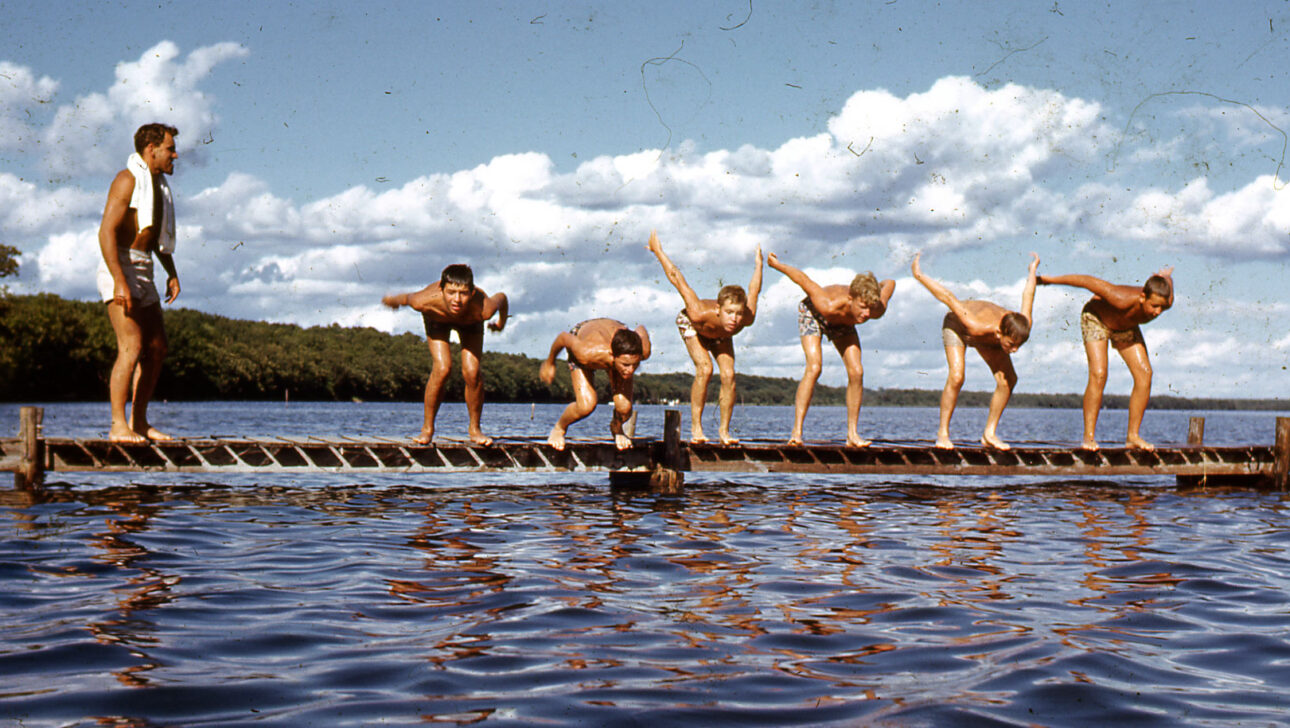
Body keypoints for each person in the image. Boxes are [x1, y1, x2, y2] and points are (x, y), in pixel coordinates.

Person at [96, 123, 181, 443]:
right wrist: (119, 280)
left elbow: (155, 238)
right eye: (170, 148)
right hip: (118, 264)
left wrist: (171, 272)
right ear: (151, 149)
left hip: (145, 266)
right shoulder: (127, 179)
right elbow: (105, 232)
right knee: (131, 347)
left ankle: (140, 422)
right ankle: (118, 426)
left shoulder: (157, 186)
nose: (175, 154)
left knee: (157, 348)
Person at [911, 251, 1039, 450]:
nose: (1014, 351)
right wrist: (919, 275)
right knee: (957, 376)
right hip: (958, 327)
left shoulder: (1022, 325)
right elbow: (947, 297)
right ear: (999, 332)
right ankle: (942, 434)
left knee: (1008, 380)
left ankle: (989, 434)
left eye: (1018, 346)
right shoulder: (975, 323)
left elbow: (1028, 295)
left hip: (987, 339)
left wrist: (1032, 271)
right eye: (1011, 345)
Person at [1038, 267, 1174, 451]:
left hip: (1125, 327)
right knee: (1099, 374)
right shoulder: (1120, 297)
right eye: (1154, 306)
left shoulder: (1166, 301)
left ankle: (1132, 436)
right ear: (1142, 297)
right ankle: (1089, 438)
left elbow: (1167, 281)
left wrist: (1164, 275)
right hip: (1097, 319)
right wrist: (1050, 280)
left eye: (1162, 307)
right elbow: (1086, 280)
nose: (1158, 312)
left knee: (1144, 374)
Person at [767, 252, 895, 447]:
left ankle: (852, 434)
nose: (867, 314)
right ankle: (796, 432)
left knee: (857, 371)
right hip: (814, 315)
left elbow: (890, 282)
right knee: (815, 367)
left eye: (870, 308)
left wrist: (876, 287)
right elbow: (802, 279)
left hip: (843, 323)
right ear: (851, 299)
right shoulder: (827, 303)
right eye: (862, 307)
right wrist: (776, 264)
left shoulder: (875, 309)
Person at [647, 230, 762, 444]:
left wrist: (759, 264)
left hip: (719, 335)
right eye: (729, 313)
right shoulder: (698, 311)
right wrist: (658, 251)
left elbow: (754, 289)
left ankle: (724, 432)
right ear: (719, 309)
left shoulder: (746, 317)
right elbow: (676, 278)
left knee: (728, 375)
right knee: (705, 368)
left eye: (738, 314)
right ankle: (696, 428)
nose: (734, 319)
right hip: (693, 325)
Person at [382, 264, 508, 446]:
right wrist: (393, 300)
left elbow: (502, 299)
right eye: (451, 293)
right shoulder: (423, 301)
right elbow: (406, 298)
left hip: (470, 322)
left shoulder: (484, 308)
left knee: (472, 372)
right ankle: (427, 429)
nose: (456, 300)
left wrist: (501, 323)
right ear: (441, 290)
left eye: (463, 293)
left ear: (472, 293)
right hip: (437, 319)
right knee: (442, 368)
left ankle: (475, 429)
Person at [539, 318, 651, 451]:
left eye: (636, 364)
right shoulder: (586, 352)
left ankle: (617, 427)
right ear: (612, 355)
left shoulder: (642, 350)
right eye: (626, 365)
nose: (631, 370)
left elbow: (641, 329)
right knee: (586, 406)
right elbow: (563, 338)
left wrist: (629, 339)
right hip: (585, 335)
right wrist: (550, 362)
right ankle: (559, 428)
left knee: (625, 409)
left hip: (617, 330)